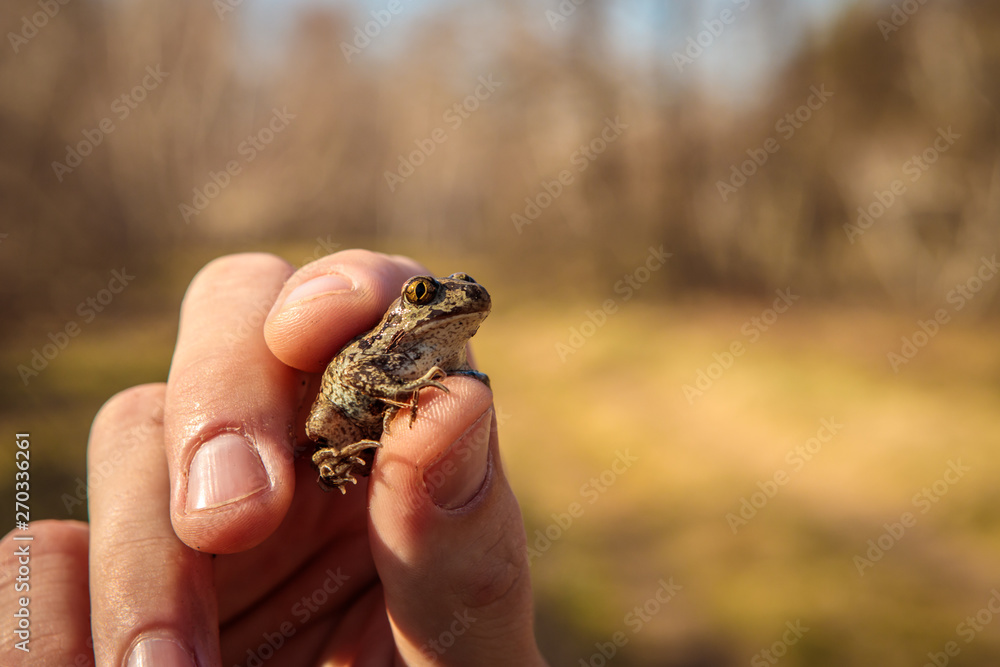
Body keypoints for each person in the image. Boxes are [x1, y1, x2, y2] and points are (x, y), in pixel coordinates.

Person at [0, 250, 547, 666]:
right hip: (334, 424)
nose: (455, 299)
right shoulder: (388, 344)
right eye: (428, 293)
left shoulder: (450, 360)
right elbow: (353, 373)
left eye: (467, 291)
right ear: (410, 304)